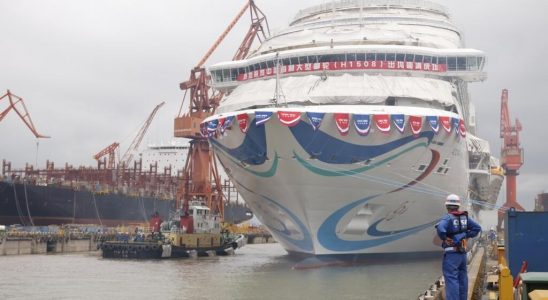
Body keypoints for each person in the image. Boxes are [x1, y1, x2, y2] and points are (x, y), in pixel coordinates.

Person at [436, 194, 482, 300]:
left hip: (451, 254)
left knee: (452, 280)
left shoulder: (448, 218)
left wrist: (445, 238)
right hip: (462, 254)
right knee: (462, 279)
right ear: (458, 206)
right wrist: (465, 235)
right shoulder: (464, 217)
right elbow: (477, 228)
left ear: (447, 206)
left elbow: (441, 229)